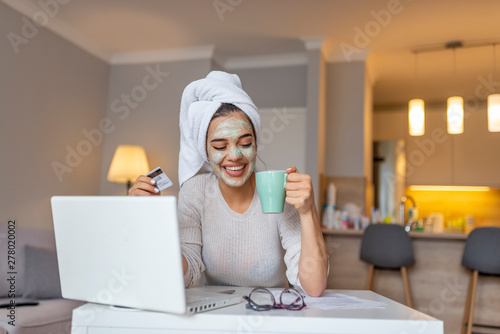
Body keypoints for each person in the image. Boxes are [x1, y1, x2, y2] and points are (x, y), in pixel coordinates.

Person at [129, 71, 328, 297]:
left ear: (256, 143)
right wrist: (150, 218)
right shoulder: (195, 191)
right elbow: (185, 275)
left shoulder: (278, 189)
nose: (234, 155)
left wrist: (308, 210)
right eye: (220, 146)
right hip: (216, 315)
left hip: (273, 314)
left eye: (244, 143)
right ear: (205, 151)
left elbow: (314, 286)